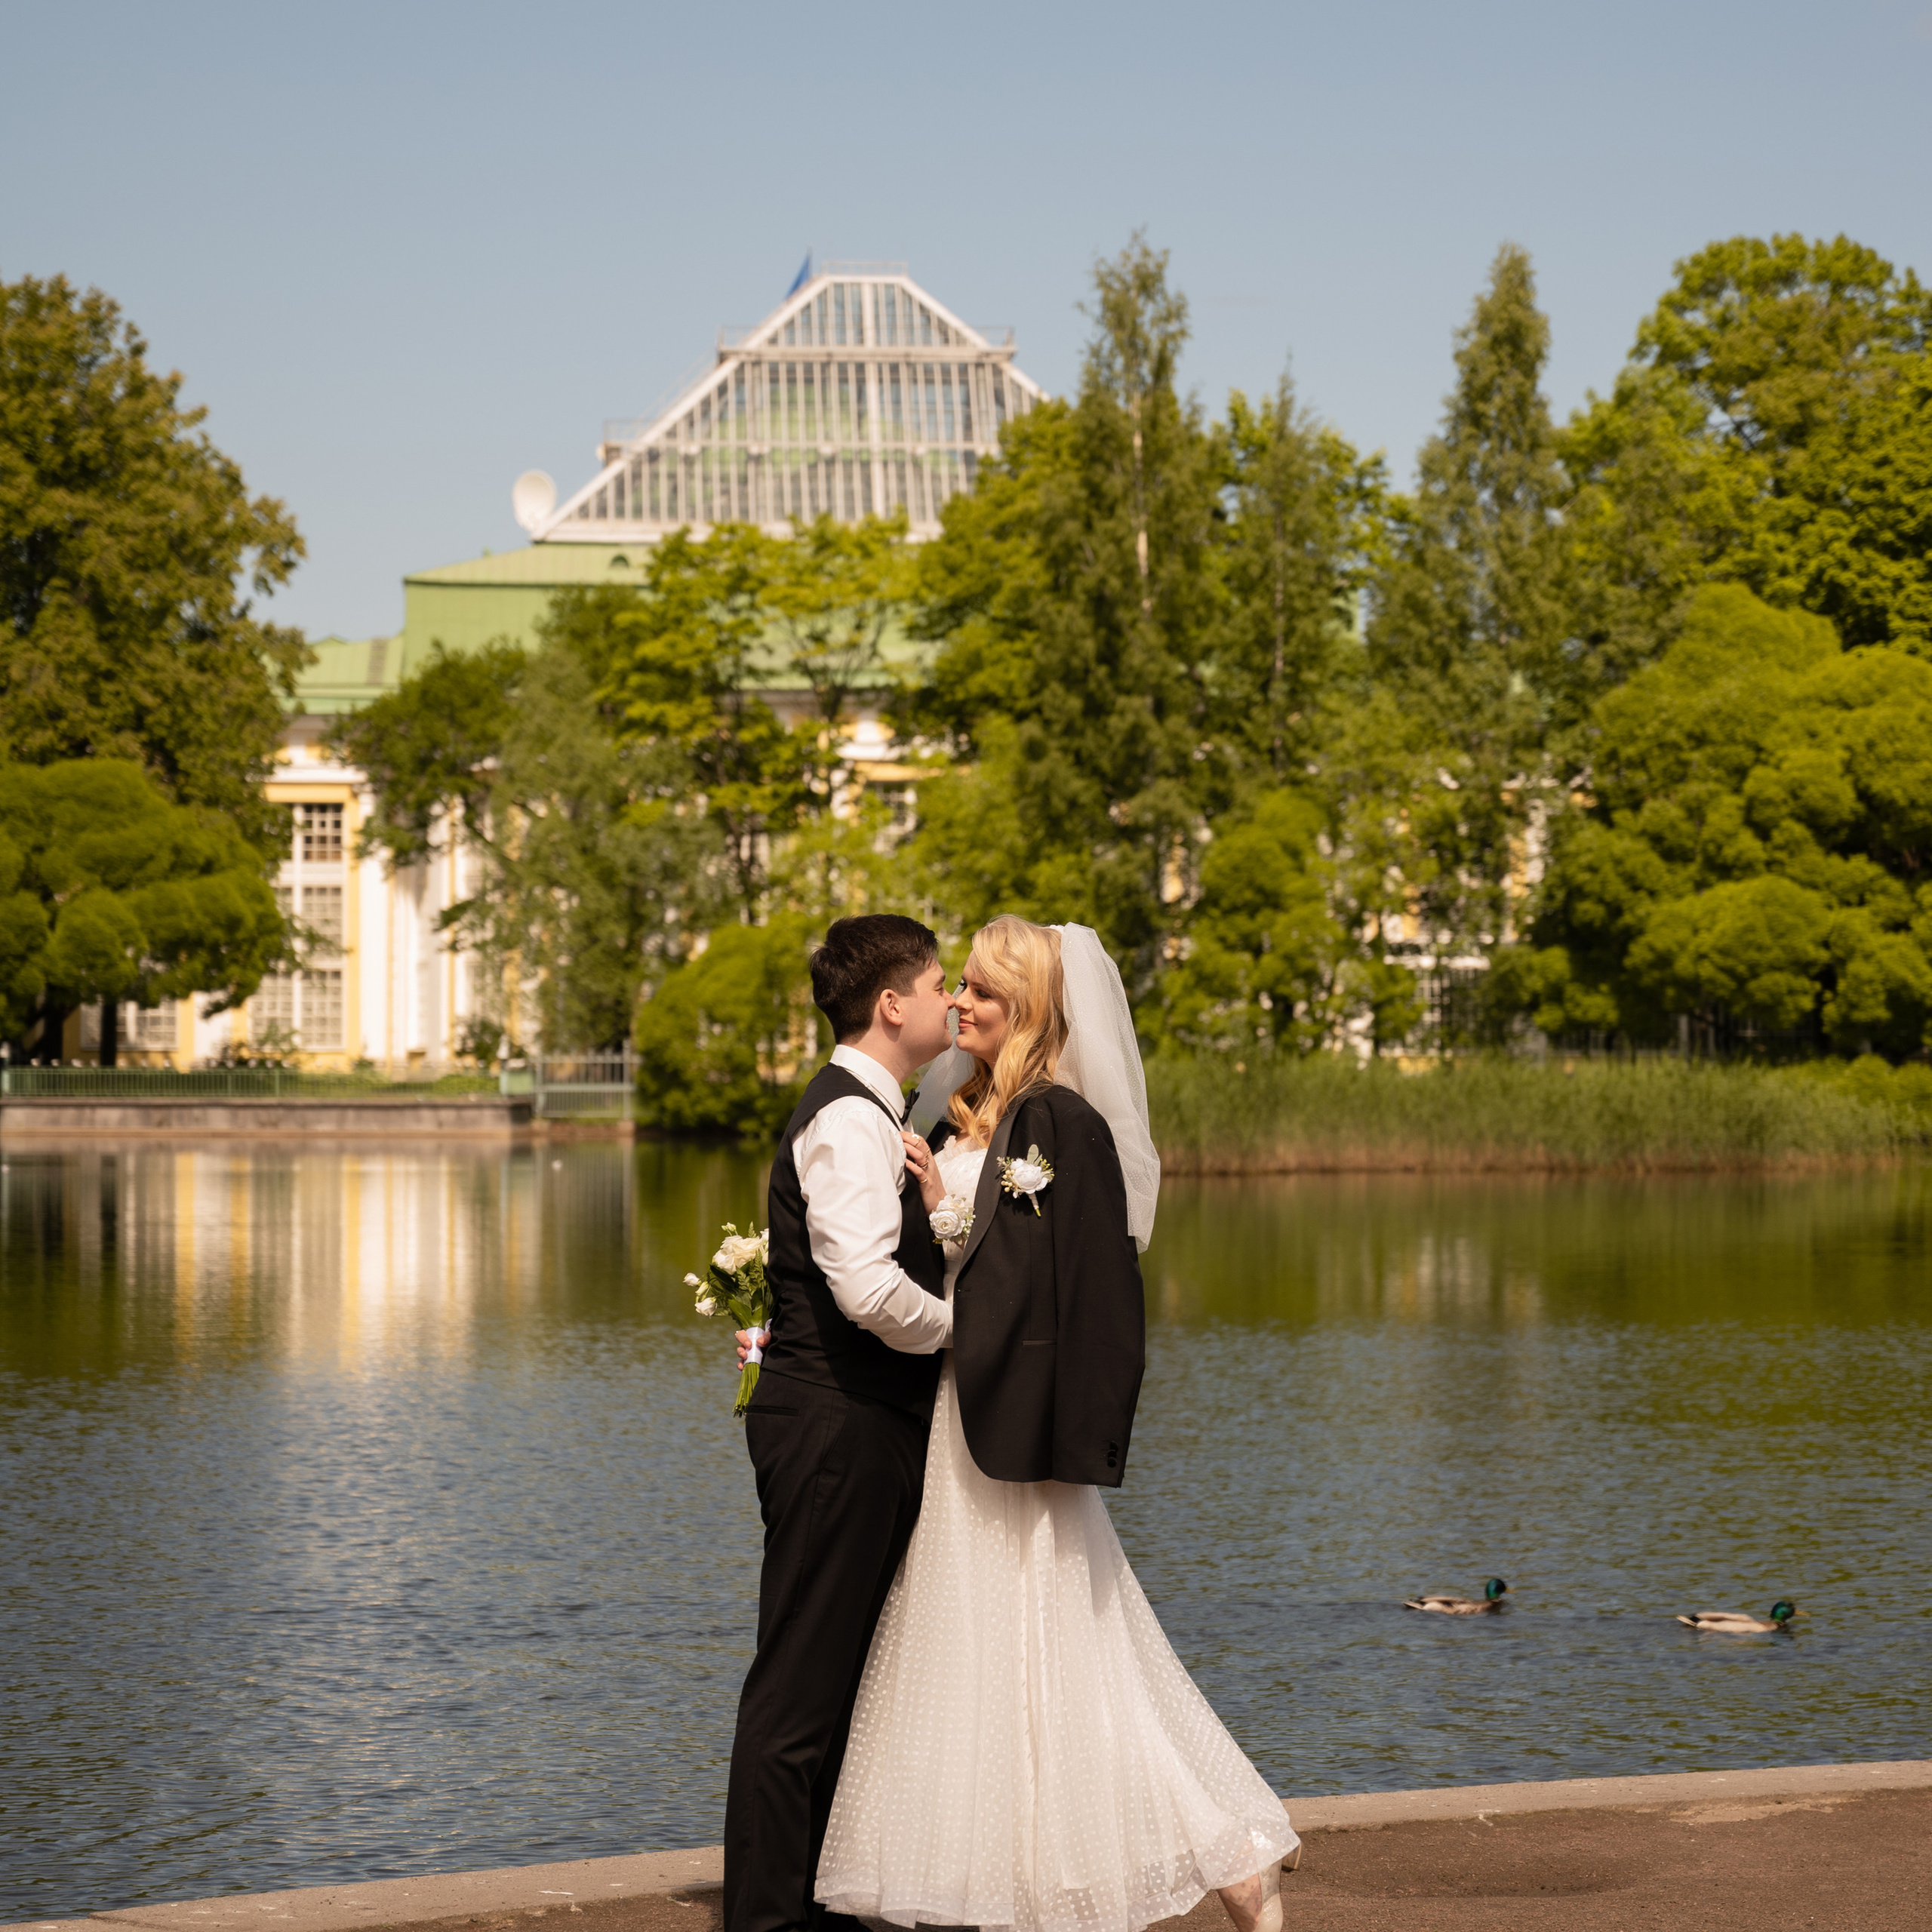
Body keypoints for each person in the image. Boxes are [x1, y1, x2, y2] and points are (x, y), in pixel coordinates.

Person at [813, 916, 1298, 1932]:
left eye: (983, 992)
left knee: (1057, 1646)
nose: (962, 1005)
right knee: (1004, 1648)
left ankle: (1229, 1849)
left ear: (1029, 1008)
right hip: (969, 1411)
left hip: (1007, 1420)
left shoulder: (1054, 1119)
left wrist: (948, 1214)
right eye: (961, 988)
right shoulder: (973, 1104)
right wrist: (946, 1198)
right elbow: (988, 1250)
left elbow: (1046, 1284)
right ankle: (1028, 1874)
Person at [721, 914, 958, 1932]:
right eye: (941, 984)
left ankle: (803, 1904)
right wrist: (961, 1333)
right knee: (800, 1691)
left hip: (852, 1420)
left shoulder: (873, 1113)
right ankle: (769, 1920)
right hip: (836, 1426)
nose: (954, 1000)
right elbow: (863, 1285)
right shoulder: (849, 1121)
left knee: (831, 1684)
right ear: (892, 1005)